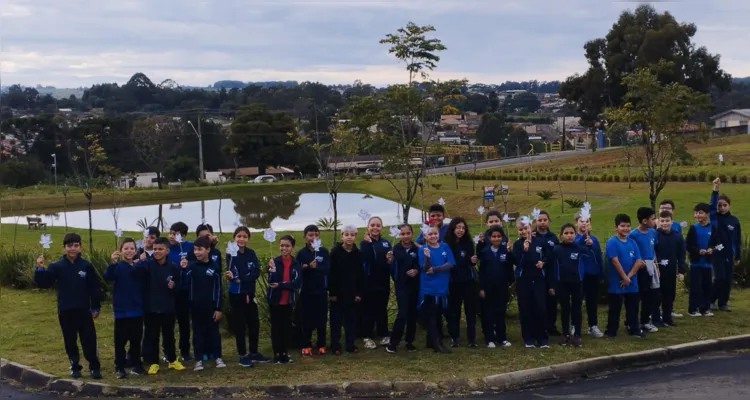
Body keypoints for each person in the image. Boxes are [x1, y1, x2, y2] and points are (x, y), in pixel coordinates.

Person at [34, 232, 102, 379]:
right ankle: (75, 365)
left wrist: (95, 306)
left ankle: (94, 367)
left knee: (89, 339)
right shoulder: (56, 266)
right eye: (69, 246)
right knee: (70, 340)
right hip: (65, 310)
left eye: (76, 245)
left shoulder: (86, 265)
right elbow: (45, 283)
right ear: (64, 248)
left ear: (80, 247)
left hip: (84, 310)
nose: (73, 248)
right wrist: (40, 269)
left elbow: (94, 287)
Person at [138, 237, 185, 375]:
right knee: (152, 336)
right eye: (155, 249)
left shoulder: (173, 266)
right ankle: (153, 363)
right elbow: (138, 276)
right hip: (151, 308)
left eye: (160, 249)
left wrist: (174, 285)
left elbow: (179, 286)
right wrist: (140, 261)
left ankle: (172, 360)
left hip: (167, 308)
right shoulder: (147, 265)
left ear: (167, 250)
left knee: (169, 335)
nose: (157, 251)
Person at [225, 227, 268, 367]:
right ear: (234, 238)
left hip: (250, 293)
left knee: (254, 323)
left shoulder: (251, 253)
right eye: (239, 236)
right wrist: (238, 277)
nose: (241, 239)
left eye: (244, 236)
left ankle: (254, 352)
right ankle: (242, 355)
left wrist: (242, 278)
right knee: (240, 324)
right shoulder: (231, 254)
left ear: (248, 239)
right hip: (237, 294)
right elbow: (233, 273)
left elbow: (255, 271)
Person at [104, 238, 146, 379]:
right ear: (121, 251)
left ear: (136, 250)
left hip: (137, 310)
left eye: (132, 248)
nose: (129, 251)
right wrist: (113, 263)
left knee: (136, 340)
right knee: (120, 342)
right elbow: (108, 276)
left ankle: (136, 365)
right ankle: (120, 367)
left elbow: (144, 275)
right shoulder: (117, 266)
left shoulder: (139, 266)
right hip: (122, 311)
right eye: (126, 249)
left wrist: (141, 262)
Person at [182, 236, 225, 371]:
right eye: (195, 250)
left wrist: (218, 308)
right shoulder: (191, 266)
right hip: (196, 307)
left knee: (214, 334)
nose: (197, 252)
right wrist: (183, 270)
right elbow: (184, 286)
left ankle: (218, 357)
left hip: (211, 307)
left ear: (208, 250)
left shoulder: (214, 267)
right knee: (198, 334)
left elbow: (218, 289)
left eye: (200, 250)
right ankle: (198, 360)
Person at [550, 224, 593, 347]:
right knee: (565, 309)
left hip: (577, 283)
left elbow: (590, 255)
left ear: (575, 234)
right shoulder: (557, 249)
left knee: (576, 309)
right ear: (561, 235)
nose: (569, 236)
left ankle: (577, 334)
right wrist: (553, 284)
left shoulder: (579, 248)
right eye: (566, 233)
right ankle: (565, 334)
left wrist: (590, 245)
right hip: (562, 283)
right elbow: (552, 267)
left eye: (571, 233)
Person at [604, 214, 645, 338]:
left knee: (633, 306)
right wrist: (624, 277)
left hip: (631, 281)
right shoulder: (612, 242)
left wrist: (629, 277)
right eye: (622, 226)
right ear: (616, 227)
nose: (625, 228)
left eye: (628, 226)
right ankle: (611, 331)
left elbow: (638, 261)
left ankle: (634, 329)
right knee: (615, 307)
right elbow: (615, 261)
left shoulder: (632, 242)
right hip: (617, 281)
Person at [418, 223, 455, 353]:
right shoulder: (423, 249)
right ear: (425, 236)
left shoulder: (444, 246)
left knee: (438, 313)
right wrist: (427, 258)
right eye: (430, 234)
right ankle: (436, 342)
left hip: (442, 286)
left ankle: (431, 340)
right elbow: (425, 268)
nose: (433, 236)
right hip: (430, 288)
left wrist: (436, 269)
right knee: (432, 315)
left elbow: (451, 263)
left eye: (435, 233)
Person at [512, 218, 549, 348]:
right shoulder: (517, 245)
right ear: (517, 230)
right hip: (524, 280)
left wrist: (543, 262)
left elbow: (547, 256)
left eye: (526, 228)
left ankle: (542, 338)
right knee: (526, 309)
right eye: (520, 229)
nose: (523, 231)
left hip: (538, 279)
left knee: (540, 308)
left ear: (530, 228)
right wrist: (524, 250)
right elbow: (516, 261)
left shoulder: (540, 242)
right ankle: (528, 338)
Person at [266, 235, 302, 364]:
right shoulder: (274, 261)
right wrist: (271, 269)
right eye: (282, 245)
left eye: (287, 246)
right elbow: (271, 281)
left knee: (286, 328)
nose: (284, 248)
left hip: (288, 301)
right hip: (275, 301)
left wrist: (282, 285)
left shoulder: (295, 263)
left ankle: (285, 353)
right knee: (276, 328)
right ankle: (277, 354)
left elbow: (296, 283)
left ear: (292, 247)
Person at [329, 225, 365, 355]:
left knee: (351, 320)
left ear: (355, 236)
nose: (349, 237)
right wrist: (332, 292)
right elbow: (331, 273)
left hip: (352, 293)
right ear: (342, 236)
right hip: (337, 294)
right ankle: (335, 345)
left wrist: (359, 293)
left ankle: (350, 344)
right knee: (336, 321)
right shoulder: (335, 253)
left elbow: (361, 274)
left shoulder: (358, 254)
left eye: (352, 235)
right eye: (347, 234)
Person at [444, 217, 478, 348]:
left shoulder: (468, 243)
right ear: (453, 228)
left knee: (470, 310)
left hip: (467, 281)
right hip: (453, 282)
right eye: (458, 227)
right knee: (454, 311)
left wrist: (472, 261)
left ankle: (471, 339)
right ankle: (454, 337)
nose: (461, 230)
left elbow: (470, 261)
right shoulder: (446, 244)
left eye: (463, 228)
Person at [477, 225, 514, 348]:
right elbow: (481, 271)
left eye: (499, 236)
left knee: (500, 312)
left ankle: (501, 337)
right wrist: (481, 288)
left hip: (502, 287)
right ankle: (489, 338)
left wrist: (509, 252)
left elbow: (510, 266)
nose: (496, 238)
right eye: (494, 236)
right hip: (488, 288)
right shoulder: (485, 252)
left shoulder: (505, 250)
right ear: (489, 238)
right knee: (488, 313)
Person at [296, 225, 330, 357]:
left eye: (316, 235)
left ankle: (321, 344)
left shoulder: (323, 252)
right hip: (306, 292)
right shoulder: (301, 253)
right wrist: (308, 267)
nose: (313, 238)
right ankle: (306, 344)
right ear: (305, 237)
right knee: (307, 319)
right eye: (311, 235)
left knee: (322, 319)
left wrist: (317, 268)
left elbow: (327, 269)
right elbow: (298, 271)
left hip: (321, 291)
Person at [385, 224, 420, 353]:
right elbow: (392, 269)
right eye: (402, 234)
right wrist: (389, 261)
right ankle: (393, 342)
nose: (405, 236)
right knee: (402, 313)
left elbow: (421, 264)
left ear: (412, 233)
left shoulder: (417, 249)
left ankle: (409, 341)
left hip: (414, 285)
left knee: (413, 313)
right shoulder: (395, 249)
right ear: (399, 235)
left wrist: (416, 271)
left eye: (408, 233)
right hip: (401, 285)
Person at [709, 178, 742, 311]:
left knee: (727, 279)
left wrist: (738, 255)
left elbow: (737, 239)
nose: (722, 208)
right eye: (720, 205)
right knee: (720, 277)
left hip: (730, 253)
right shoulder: (714, 217)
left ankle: (723, 303)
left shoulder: (734, 221)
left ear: (729, 205)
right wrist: (715, 190)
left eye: (724, 205)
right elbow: (711, 206)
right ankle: (711, 300)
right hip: (717, 252)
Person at [360, 216, 392, 349]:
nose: (375, 228)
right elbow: (367, 259)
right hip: (369, 280)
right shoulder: (364, 243)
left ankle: (383, 333)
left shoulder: (386, 243)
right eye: (372, 225)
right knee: (369, 309)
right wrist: (367, 244)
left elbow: (388, 263)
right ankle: (367, 336)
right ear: (368, 227)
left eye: (378, 225)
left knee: (381, 308)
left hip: (383, 280)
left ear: (381, 228)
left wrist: (390, 260)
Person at [628, 207, 661, 333]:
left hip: (651, 267)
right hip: (640, 269)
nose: (655, 221)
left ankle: (645, 321)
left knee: (651, 296)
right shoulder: (633, 235)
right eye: (653, 219)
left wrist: (656, 266)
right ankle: (631, 322)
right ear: (645, 221)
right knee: (638, 296)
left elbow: (653, 250)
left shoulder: (653, 232)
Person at [574, 213, 604, 338]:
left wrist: (601, 274)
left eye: (587, 221)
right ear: (576, 223)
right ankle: (575, 325)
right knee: (577, 302)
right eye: (581, 221)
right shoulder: (574, 238)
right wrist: (583, 241)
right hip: (579, 276)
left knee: (592, 301)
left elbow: (598, 256)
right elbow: (575, 250)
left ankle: (593, 325)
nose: (584, 224)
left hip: (593, 274)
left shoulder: (594, 239)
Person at [168, 222, 195, 361]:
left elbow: (199, 256)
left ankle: (185, 351)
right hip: (170, 291)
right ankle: (169, 352)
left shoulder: (189, 246)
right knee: (169, 323)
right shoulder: (166, 247)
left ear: (183, 236)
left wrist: (187, 264)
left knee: (184, 322)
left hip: (185, 290)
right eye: (171, 233)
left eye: (175, 234)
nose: (172, 236)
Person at [655, 210, 686, 327]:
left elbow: (681, 255)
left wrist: (681, 270)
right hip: (658, 271)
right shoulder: (655, 235)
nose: (664, 223)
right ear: (658, 221)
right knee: (657, 295)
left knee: (669, 295)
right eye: (662, 221)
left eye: (667, 221)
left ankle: (667, 318)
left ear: (672, 221)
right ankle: (656, 319)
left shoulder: (677, 236)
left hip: (671, 270)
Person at [686, 202, 718, 317]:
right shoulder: (693, 228)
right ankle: (693, 309)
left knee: (707, 286)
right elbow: (688, 245)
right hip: (695, 263)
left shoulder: (713, 228)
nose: (697, 215)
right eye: (696, 213)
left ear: (707, 214)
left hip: (708, 264)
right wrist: (698, 251)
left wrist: (711, 249)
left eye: (700, 213)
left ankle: (705, 308)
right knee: (695, 287)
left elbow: (717, 244)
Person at [534, 211, 561, 337]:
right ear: (535, 221)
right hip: (537, 273)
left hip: (551, 273)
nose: (543, 222)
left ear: (548, 221)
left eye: (545, 219)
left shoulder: (553, 237)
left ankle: (551, 326)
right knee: (539, 302)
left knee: (551, 300)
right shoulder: (532, 236)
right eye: (540, 220)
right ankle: (541, 326)